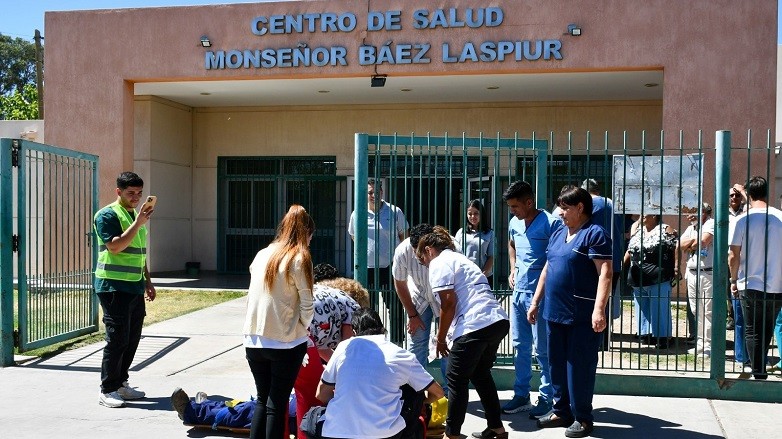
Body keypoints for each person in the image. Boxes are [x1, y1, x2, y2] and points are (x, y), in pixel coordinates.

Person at [528, 186, 612, 438]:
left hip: (580, 315)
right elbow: (547, 268)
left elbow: (605, 273)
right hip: (554, 312)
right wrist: (535, 301)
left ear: (580, 208)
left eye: (565, 208)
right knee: (555, 364)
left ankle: (583, 418)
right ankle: (560, 411)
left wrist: (599, 310)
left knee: (579, 366)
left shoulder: (595, 234)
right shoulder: (558, 233)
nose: (560, 213)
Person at [416, 226, 509, 439]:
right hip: (496, 321)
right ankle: (497, 428)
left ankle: (453, 434)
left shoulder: (438, 262)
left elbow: (448, 303)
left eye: (422, 260)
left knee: (456, 379)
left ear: (429, 250)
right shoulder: (461, 259)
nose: (425, 264)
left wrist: (441, 339)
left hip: (475, 325)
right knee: (480, 374)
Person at [315, 308, 445, 439]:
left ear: (354, 331)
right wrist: (422, 402)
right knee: (413, 390)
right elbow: (438, 393)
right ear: (382, 328)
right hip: (385, 434)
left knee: (313, 415)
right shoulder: (401, 355)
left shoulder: (343, 348)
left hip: (336, 432)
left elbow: (321, 394)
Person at [243, 204, 315, 439]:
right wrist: (303, 327)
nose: (310, 243)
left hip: (253, 339)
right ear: (306, 233)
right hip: (285, 342)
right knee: (277, 404)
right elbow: (307, 303)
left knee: (262, 400)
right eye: (310, 237)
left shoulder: (262, 253)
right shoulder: (299, 256)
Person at [94, 171, 156, 408]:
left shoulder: (134, 215)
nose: (136, 198)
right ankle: (108, 389)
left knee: (131, 338)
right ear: (118, 191)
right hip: (112, 286)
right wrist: (138, 223)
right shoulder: (107, 215)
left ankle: (120, 384)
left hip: (134, 285)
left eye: (139, 193)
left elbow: (139, 253)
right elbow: (115, 247)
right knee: (117, 339)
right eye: (131, 193)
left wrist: (147, 281)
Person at [502, 180, 561, 418]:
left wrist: (538, 297)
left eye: (515, 206)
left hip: (542, 295)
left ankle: (547, 398)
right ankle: (521, 395)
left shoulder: (551, 223)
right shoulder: (514, 223)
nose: (512, 211)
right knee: (520, 346)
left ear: (529, 202)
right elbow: (511, 244)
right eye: (510, 207)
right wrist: (513, 268)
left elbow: (555, 258)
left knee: (543, 350)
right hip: (519, 293)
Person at [293, 263, 369, 439]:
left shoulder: (325, 295)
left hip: (281, 330)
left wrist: (331, 366)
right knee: (311, 393)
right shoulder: (352, 307)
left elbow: (323, 347)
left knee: (277, 396)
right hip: (301, 335)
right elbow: (347, 352)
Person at [728, 176, 782, 380]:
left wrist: (733, 280)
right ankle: (760, 368)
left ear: (748, 195)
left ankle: (758, 370)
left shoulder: (742, 219)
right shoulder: (779, 217)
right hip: (776, 282)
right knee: (767, 328)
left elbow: (733, 254)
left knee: (751, 329)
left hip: (749, 282)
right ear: (767, 192)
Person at [348, 178, 409, 344]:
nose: (373, 195)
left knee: (395, 306)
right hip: (367, 269)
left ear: (382, 192)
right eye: (370, 192)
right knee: (367, 308)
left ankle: (397, 340)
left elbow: (404, 237)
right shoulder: (357, 213)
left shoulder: (395, 211)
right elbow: (354, 236)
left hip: (391, 267)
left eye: (376, 192)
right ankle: (370, 341)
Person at [580, 179, 625, 351]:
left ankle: (594, 339)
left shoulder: (589, 204)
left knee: (592, 298)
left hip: (594, 258)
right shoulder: (613, 204)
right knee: (607, 299)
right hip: (615, 256)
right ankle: (605, 339)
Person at [392, 223, 443, 369]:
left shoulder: (449, 247)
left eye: (422, 252)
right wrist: (412, 315)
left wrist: (444, 331)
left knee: (448, 343)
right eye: (415, 251)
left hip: (443, 298)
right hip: (418, 298)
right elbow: (400, 283)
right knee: (416, 344)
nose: (418, 257)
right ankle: (416, 383)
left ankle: (450, 384)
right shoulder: (402, 251)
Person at [623, 214, 677, 349]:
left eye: (644, 213)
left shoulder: (665, 229)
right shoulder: (638, 231)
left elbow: (676, 247)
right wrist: (621, 265)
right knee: (642, 307)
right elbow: (630, 250)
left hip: (658, 276)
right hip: (637, 277)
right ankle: (646, 334)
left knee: (660, 307)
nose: (641, 215)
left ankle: (662, 337)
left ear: (654, 215)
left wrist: (676, 267)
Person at [678, 203, 714, 356]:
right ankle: (700, 343)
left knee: (708, 311)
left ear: (704, 212)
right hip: (692, 273)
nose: (689, 215)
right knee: (696, 310)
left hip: (707, 273)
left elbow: (703, 242)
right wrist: (693, 242)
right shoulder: (691, 227)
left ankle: (709, 346)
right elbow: (680, 245)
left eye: (693, 212)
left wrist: (692, 243)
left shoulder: (711, 224)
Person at [727, 184, 747, 364]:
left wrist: (742, 191)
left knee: (739, 301)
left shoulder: (746, 212)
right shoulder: (722, 215)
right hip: (724, 259)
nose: (734, 198)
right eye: (731, 196)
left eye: (737, 196)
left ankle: (743, 354)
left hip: (740, 258)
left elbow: (755, 205)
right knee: (725, 296)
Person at [453, 199, 495, 282]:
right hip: (464, 276)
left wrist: (482, 275)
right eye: (470, 214)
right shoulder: (461, 232)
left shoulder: (489, 233)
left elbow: (491, 256)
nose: (473, 216)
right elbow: (455, 253)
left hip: (483, 276)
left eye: (476, 213)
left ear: (481, 214)